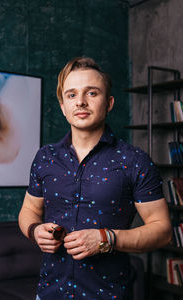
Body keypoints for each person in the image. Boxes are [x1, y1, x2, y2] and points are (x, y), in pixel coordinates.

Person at [18, 57, 172, 300]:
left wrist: (107, 238)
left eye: (91, 93)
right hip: (48, 294)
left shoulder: (135, 161)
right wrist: (35, 230)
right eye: (71, 95)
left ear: (109, 103)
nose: (80, 102)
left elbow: (162, 230)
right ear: (62, 106)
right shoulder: (45, 157)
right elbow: (28, 210)